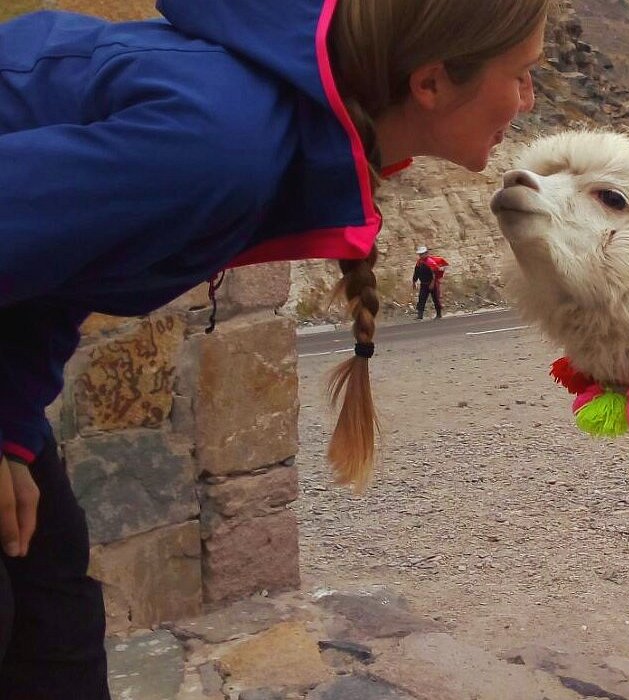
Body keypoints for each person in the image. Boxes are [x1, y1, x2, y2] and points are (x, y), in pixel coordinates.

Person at [0, 0, 547, 696]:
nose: (529, 100)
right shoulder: (216, 148)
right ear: (431, 83)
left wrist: (13, 426)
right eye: (523, 74)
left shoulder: (262, 140)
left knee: (51, 612)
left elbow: (54, 269)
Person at [412, 245, 443, 319]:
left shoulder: (430, 262)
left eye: (422, 254)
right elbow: (416, 272)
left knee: (436, 299)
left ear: (426, 253)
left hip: (432, 283)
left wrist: (432, 283)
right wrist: (414, 281)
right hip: (424, 283)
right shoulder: (419, 263)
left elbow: (434, 273)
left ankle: (439, 314)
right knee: (421, 299)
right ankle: (420, 315)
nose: (421, 255)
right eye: (420, 254)